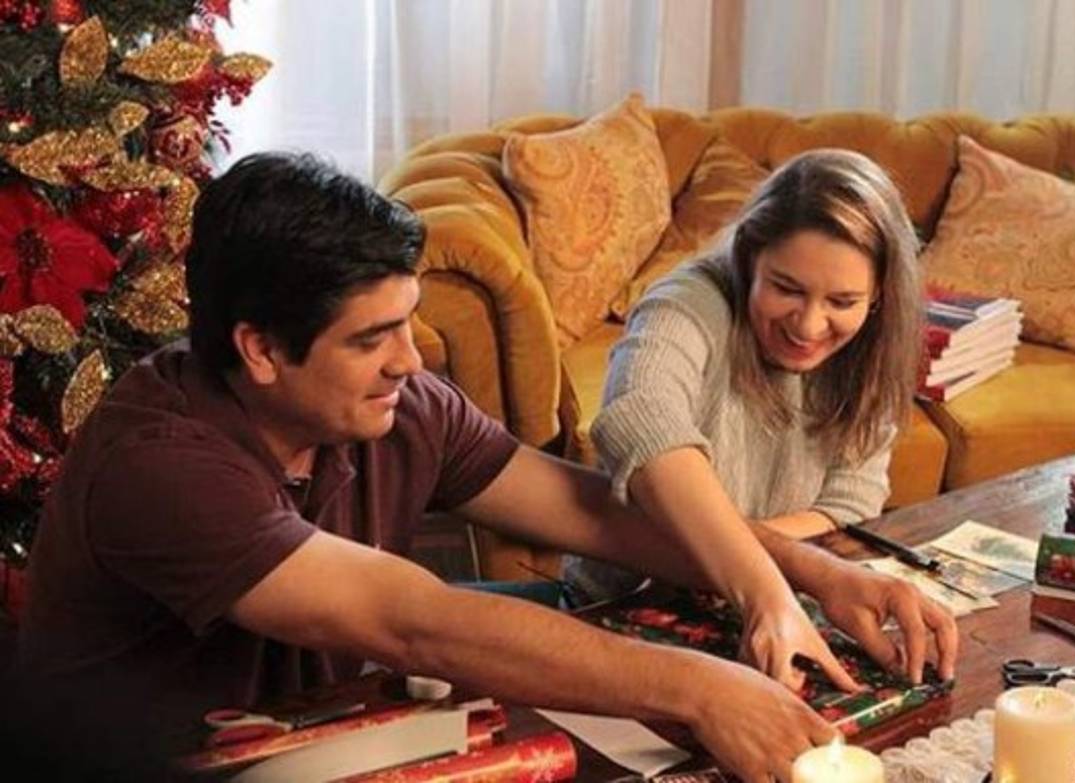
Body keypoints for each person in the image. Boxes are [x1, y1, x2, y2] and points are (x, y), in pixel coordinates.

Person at [12, 152, 951, 782]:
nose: (413, 360)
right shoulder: (159, 460)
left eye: (408, 321)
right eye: (373, 337)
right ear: (258, 347)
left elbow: (596, 514)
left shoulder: (395, 401)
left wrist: (822, 573)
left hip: (328, 742)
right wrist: (699, 686)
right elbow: (412, 620)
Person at [570, 149, 952, 693]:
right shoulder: (685, 304)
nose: (809, 324)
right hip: (625, 610)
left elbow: (848, 505)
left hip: (769, 607)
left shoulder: (875, 346)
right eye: (787, 289)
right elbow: (639, 422)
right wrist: (779, 573)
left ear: (879, 297)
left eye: (842, 300)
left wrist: (720, 546)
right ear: (749, 258)